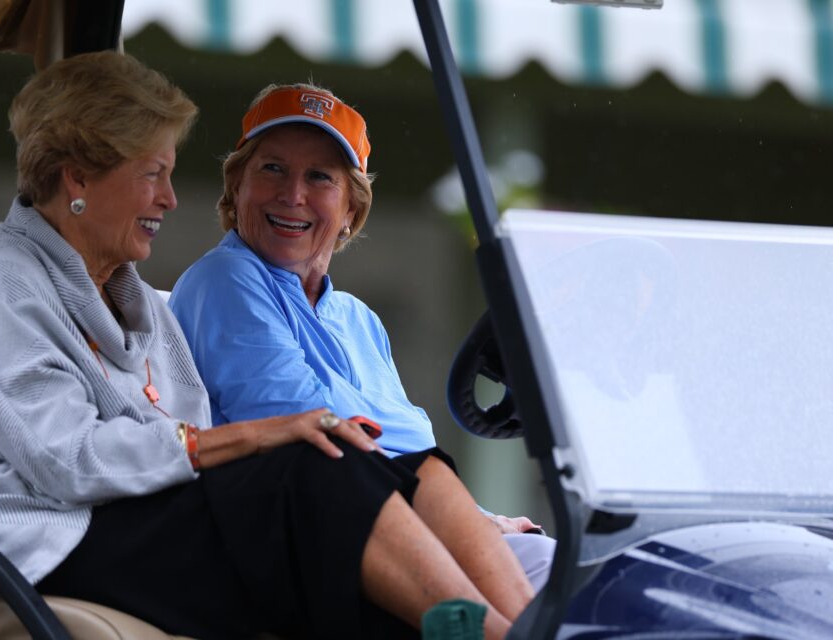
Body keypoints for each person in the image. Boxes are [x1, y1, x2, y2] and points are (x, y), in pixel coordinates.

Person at [0, 52, 533, 640]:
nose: (170, 200)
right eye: (153, 175)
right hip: (35, 544)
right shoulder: (1, 282)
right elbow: (67, 463)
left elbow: (185, 431)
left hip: (128, 523)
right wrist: (263, 436)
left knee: (342, 494)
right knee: (314, 477)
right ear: (78, 178)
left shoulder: (137, 300)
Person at [169, 83, 555, 590]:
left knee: (579, 570)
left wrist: (480, 517)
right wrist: (468, 522)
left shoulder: (357, 319)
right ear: (236, 186)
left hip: (405, 523)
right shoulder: (225, 279)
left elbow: (403, 445)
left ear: (351, 209)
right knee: (553, 583)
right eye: (272, 169)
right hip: (317, 542)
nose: (293, 194)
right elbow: (307, 434)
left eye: (320, 178)